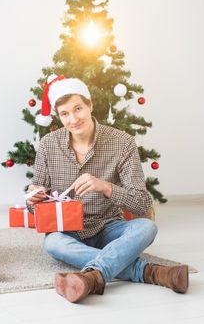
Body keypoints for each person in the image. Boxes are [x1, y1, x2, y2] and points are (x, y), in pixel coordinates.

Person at [26, 75, 188, 303]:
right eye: (64, 114)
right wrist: (33, 201)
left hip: (108, 227)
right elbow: (35, 208)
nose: (73, 119)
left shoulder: (122, 143)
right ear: (58, 116)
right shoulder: (48, 144)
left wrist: (105, 187)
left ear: (90, 105)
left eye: (78, 109)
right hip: (67, 231)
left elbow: (142, 203)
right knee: (53, 243)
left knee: (147, 228)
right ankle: (150, 272)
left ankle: (93, 277)